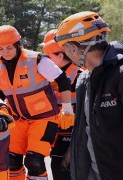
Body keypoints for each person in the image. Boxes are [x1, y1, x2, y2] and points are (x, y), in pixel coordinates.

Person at [0, 25, 74, 179]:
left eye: (9, 47)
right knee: (11, 159)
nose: (5, 52)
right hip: (18, 120)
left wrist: (67, 108)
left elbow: (63, 81)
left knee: (34, 161)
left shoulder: (37, 60)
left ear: (17, 44)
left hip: (44, 118)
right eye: (0, 49)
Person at [55, 11, 123, 180]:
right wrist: (67, 161)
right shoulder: (85, 79)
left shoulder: (120, 74)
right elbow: (85, 129)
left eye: (65, 48)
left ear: (74, 48)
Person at [41, 29, 83, 180]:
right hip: (56, 131)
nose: (44, 60)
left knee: (61, 168)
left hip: (71, 133)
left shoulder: (80, 76)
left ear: (60, 54)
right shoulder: (47, 75)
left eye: (47, 56)